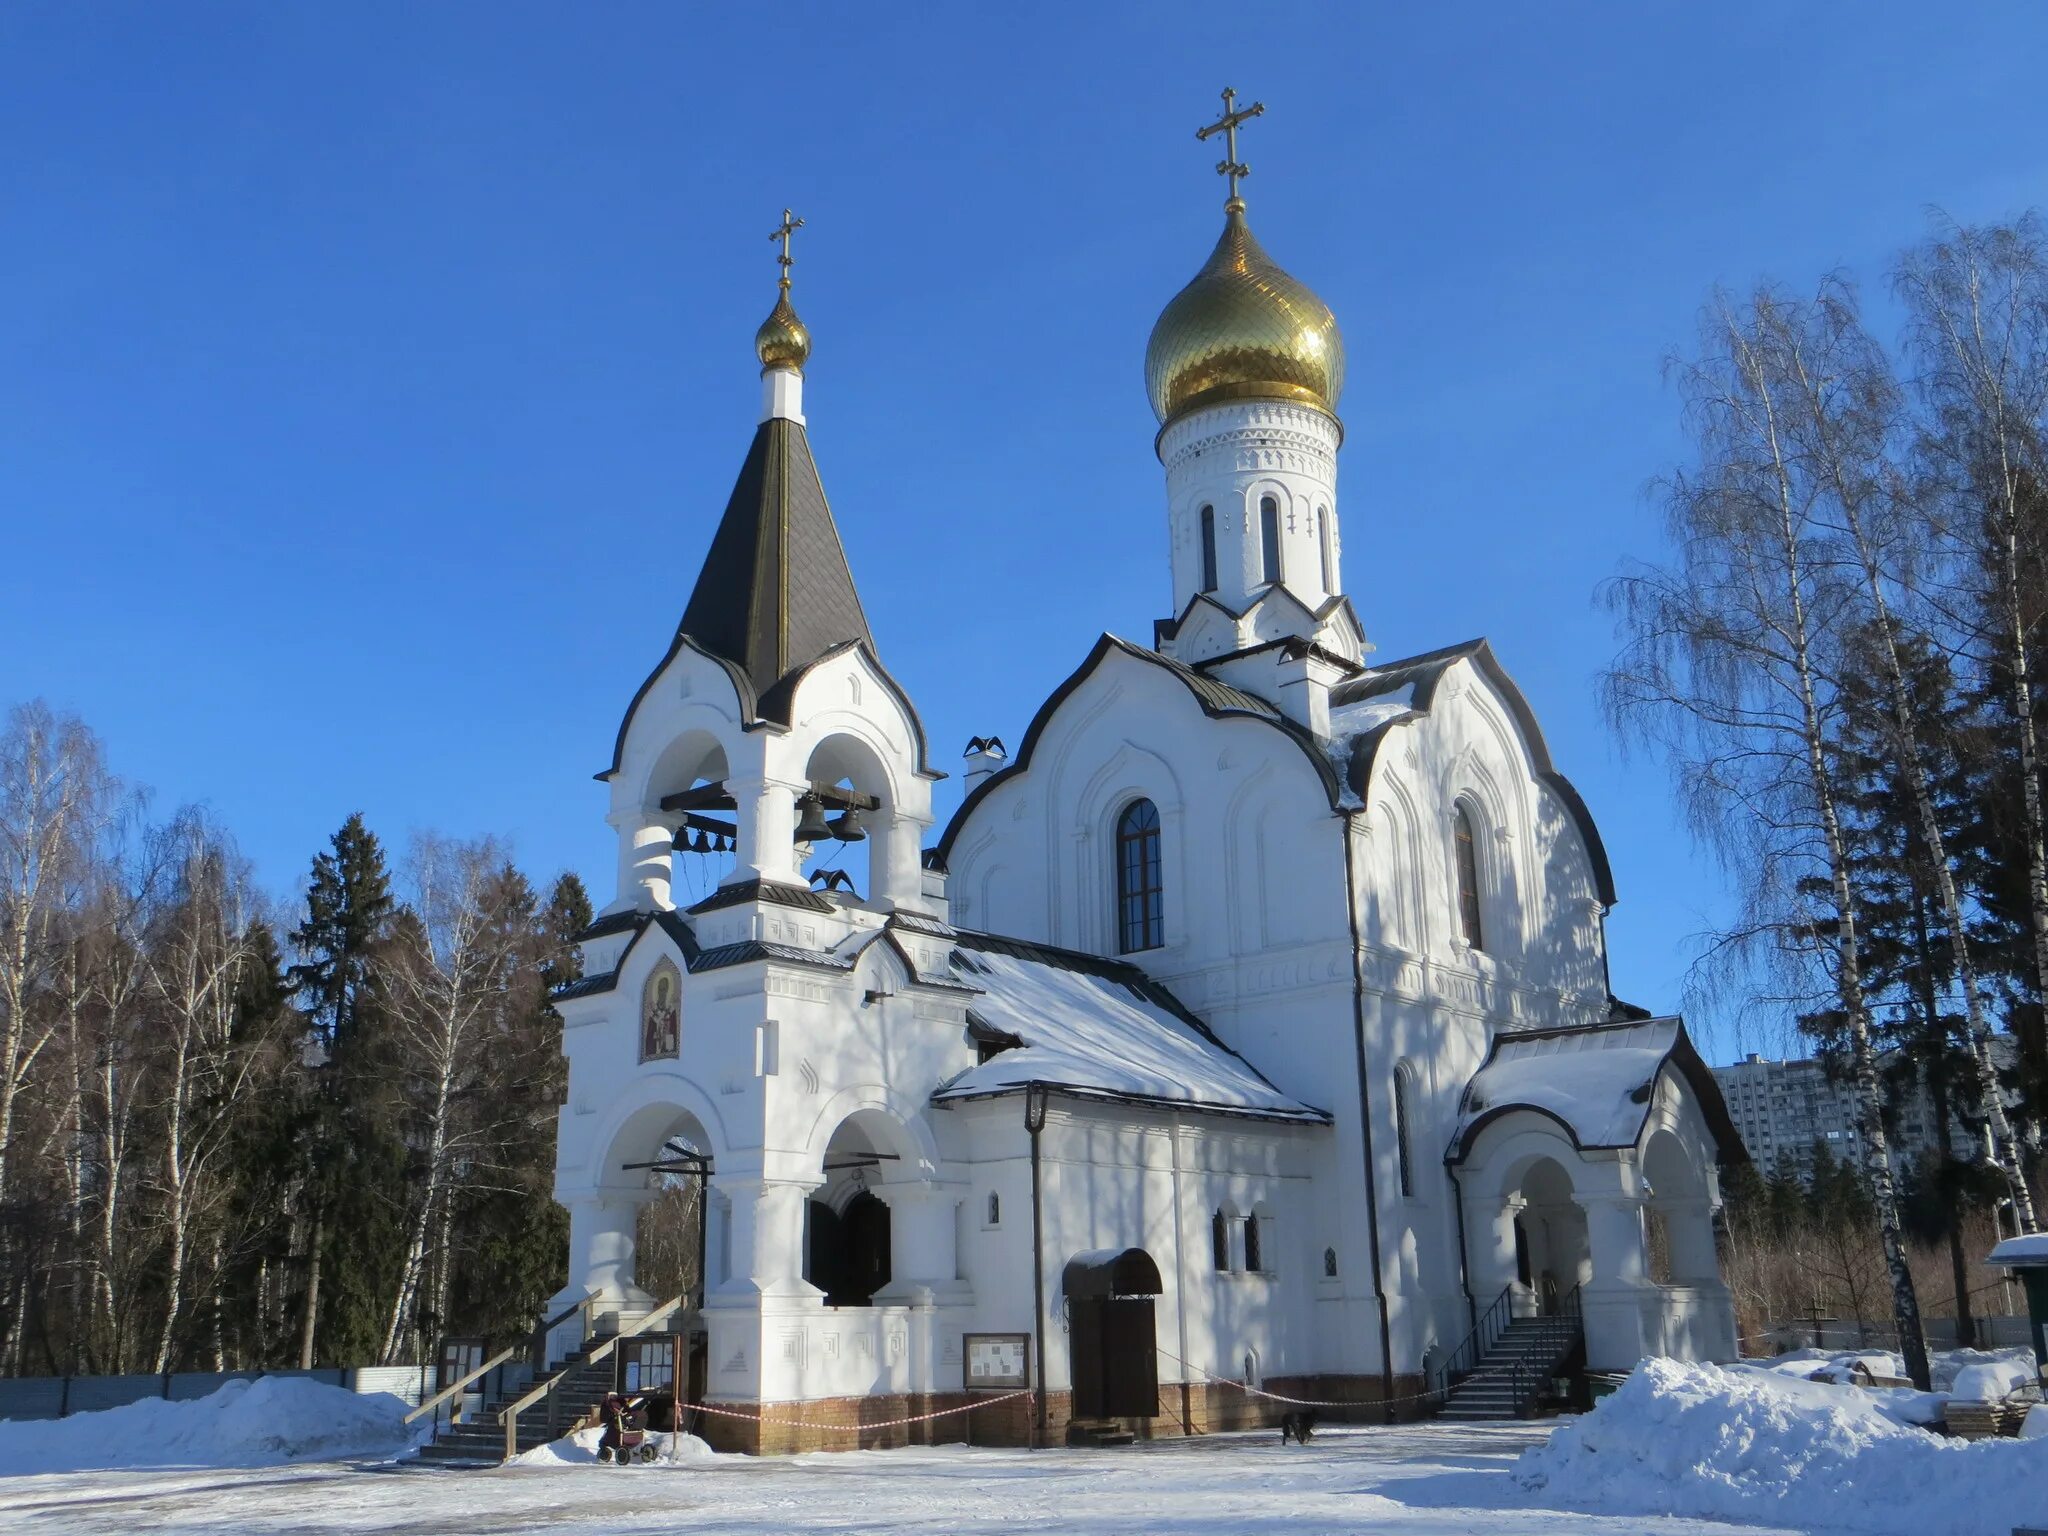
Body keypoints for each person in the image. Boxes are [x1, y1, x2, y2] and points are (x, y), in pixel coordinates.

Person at [595, 1391, 645, 1464]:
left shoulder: (620, 1403)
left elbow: (627, 1410)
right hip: (617, 1428)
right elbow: (605, 1418)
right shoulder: (614, 1404)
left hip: (622, 1427)